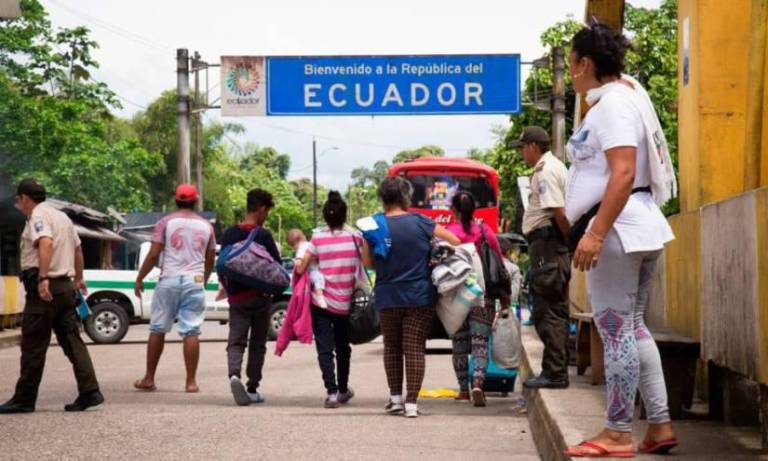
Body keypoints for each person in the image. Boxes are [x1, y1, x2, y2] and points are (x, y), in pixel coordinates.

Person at [564, 23, 678, 457]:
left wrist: (594, 233)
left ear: (586, 63)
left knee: (614, 332)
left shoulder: (611, 107)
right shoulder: (628, 96)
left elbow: (623, 172)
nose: (570, 75)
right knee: (632, 329)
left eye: (572, 64)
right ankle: (660, 426)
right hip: (640, 225)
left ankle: (616, 432)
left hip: (616, 232)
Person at [0, 179, 103, 414]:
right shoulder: (63, 217)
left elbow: (45, 242)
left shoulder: (38, 216)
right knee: (72, 341)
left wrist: (43, 278)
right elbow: (77, 249)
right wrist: (79, 278)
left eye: (19, 201)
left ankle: (24, 399)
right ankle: (90, 391)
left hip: (46, 290)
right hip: (66, 288)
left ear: (25, 198)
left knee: (33, 344)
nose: (19, 205)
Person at [364, 177, 460, 418]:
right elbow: (454, 241)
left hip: (388, 296)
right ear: (405, 197)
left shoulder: (373, 225)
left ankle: (395, 399)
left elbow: (367, 262)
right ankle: (412, 404)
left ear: (383, 198)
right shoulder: (421, 222)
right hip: (419, 295)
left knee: (392, 347)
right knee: (415, 348)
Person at [133, 184, 216, 394]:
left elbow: (153, 254)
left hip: (169, 279)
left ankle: (149, 378)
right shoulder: (207, 226)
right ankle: (191, 382)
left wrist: (140, 277)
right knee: (191, 330)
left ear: (175, 200)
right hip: (194, 281)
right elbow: (210, 258)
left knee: (157, 328)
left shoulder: (165, 222)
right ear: (196, 200)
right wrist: (203, 280)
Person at [513, 126, 571, 390]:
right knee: (549, 309)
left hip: (548, 246)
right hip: (548, 246)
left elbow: (558, 212)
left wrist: (569, 241)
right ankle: (553, 370)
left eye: (523, 147)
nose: (522, 152)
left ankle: (555, 372)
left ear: (533, 147)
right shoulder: (553, 166)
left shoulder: (545, 171)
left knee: (547, 312)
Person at [296, 191, 364, 409]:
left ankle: (332, 393)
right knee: (343, 347)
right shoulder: (356, 238)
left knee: (325, 348)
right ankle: (343, 389)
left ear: (325, 216)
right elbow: (367, 262)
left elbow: (302, 266)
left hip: (321, 302)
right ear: (344, 215)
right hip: (345, 304)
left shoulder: (317, 239)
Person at [446, 191, 509, 407]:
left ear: (453, 210)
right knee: (480, 343)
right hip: (482, 295)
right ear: (474, 210)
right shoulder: (485, 231)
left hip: (455, 297)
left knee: (459, 344)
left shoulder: (447, 233)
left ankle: (463, 391)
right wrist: (505, 296)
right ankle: (478, 385)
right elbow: (499, 264)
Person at [220, 189, 281, 406]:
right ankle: (252, 388)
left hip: (237, 297)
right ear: (262, 209)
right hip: (260, 297)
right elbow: (276, 267)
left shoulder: (229, 233)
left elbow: (223, 265)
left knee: (235, 340)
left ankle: (234, 375)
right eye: (267, 212)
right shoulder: (263, 236)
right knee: (257, 343)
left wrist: (228, 288)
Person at [287, 229, 327, 309]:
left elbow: (300, 255)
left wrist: (298, 260)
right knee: (317, 279)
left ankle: (320, 297)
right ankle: (320, 296)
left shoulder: (302, 245)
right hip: (313, 269)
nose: (294, 248)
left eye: (293, 246)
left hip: (311, 270)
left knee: (317, 280)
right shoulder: (307, 244)